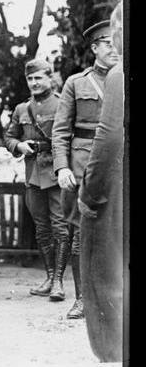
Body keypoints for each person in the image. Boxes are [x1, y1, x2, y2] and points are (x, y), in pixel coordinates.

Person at [52, 18, 120, 319]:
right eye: (107, 43)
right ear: (94, 47)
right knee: (83, 236)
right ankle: (83, 299)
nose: (114, 47)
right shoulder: (76, 83)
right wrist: (62, 168)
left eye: (117, 40)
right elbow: (61, 131)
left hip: (119, 169)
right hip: (84, 169)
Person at [78, 4, 125, 362]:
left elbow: (107, 139)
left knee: (107, 279)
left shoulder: (119, 75)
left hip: (118, 191)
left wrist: (89, 193)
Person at [4, 59, 70, 300]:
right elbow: (9, 137)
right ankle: (50, 276)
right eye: (30, 79)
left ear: (50, 78)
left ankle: (60, 282)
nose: (34, 83)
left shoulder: (64, 103)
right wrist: (19, 145)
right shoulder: (22, 109)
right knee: (42, 230)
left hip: (57, 173)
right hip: (33, 176)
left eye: (38, 78)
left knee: (60, 228)